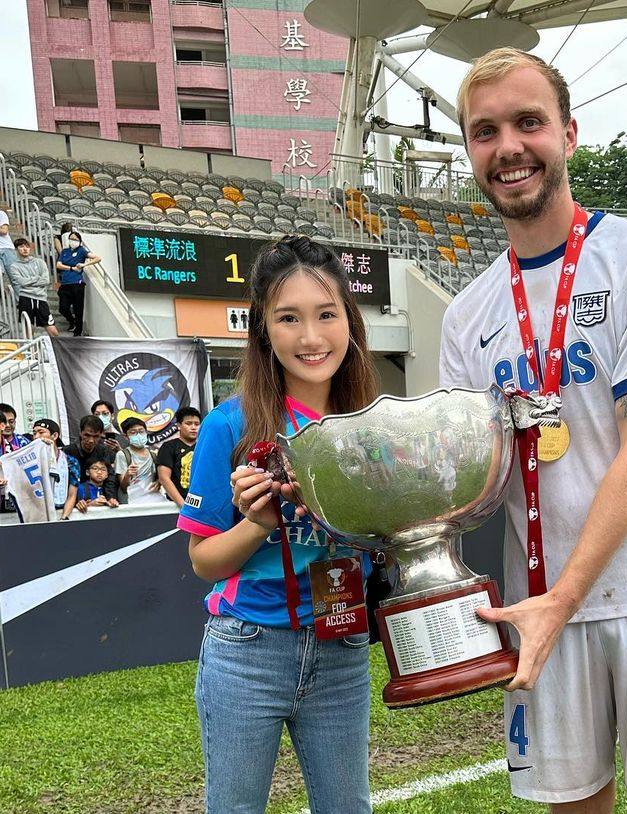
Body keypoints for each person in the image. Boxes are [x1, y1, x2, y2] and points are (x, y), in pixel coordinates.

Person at [439, 48, 627, 812]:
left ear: (568, 135)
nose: (508, 146)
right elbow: (471, 485)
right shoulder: (466, 314)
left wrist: (559, 600)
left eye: (528, 122)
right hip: (538, 604)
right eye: (485, 131)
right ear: (471, 151)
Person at [177, 236, 379, 814]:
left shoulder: (372, 423)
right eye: (288, 318)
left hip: (342, 646)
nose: (311, 338)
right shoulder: (230, 424)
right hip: (248, 650)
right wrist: (258, 523)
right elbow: (203, 562)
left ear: (349, 321)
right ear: (264, 329)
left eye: (326, 315)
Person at [8, 238, 59, 337]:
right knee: (28, 331)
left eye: (27, 246)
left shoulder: (40, 262)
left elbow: (46, 280)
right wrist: (37, 278)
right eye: (21, 247)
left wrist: (29, 281)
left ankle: (58, 351)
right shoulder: (14, 266)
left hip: (41, 299)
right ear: (16, 249)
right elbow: (21, 282)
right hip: (25, 298)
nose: (25, 249)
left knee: (53, 331)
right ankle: (30, 352)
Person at [64, 415, 119, 501]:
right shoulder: (68, 451)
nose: (91, 440)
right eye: (87, 435)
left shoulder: (104, 451)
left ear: (101, 435)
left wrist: (111, 498)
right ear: (81, 432)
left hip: (99, 498)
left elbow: (110, 478)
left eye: (96, 436)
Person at [32, 418, 79, 520]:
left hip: (62, 510)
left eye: (41, 432)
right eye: (34, 433)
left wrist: (64, 518)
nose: (36, 437)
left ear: (55, 435)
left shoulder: (70, 461)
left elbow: (72, 494)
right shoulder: (31, 462)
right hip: (39, 515)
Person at [55, 230, 100, 336]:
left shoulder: (82, 251)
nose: (73, 241)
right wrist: (71, 268)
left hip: (77, 284)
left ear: (79, 241)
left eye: (75, 239)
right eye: (71, 239)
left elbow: (98, 258)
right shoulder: (65, 251)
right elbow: (59, 265)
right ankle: (72, 321)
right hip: (65, 284)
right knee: (63, 308)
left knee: (78, 309)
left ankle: (78, 332)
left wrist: (83, 265)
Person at [115, 417, 166, 505]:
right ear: (126, 437)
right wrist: (127, 475)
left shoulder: (154, 454)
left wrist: (159, 482)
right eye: (133, 432)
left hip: (153, 499)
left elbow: (161, 477)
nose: (138, 435)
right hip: (132, 501)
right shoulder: (122, 455)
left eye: (141, 431)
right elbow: (123, 487)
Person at [157, 406, 200, 506]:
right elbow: (164, 478)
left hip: (203, 503)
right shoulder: (168, 447)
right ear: (179, 425)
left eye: (197, 424)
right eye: (188, 423)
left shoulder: (204, 446)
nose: (193, 427)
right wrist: (183, 505)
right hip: (176, 505)